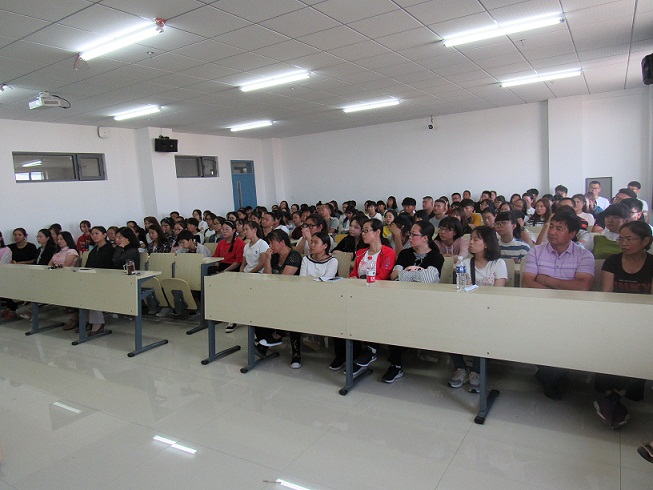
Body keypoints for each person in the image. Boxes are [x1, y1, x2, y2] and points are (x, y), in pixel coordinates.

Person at [522, 208, 594, 400]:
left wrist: (546, 279)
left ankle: (551, 375)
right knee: (540, 336)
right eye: (551, 226)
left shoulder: (584, 255)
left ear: (572, 233)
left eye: (559, 228)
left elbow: (583, 286)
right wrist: (561, 291)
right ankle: (552, 375)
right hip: (539, 310)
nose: (552, 231)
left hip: (573, 311)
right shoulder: (536, 251)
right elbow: (527, 282)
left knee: (565, 340)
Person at [592, 221, 653, 428]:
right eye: (621, 239)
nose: (623, 243)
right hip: (615, 319)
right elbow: (607, 296)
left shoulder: (652, 263)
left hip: (643, 321)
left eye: (629, 239)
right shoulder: (612, 262)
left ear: (645, 241)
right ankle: (612, 394)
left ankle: (616, 395)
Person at [331, 218, 396, 376]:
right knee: (339, 313)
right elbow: (353, 274)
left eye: (367, 230)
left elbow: (382, 277)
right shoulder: (360, 252)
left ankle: (369, 350)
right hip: (358, 294)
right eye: (363, 230)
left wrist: (359, 281)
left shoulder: (388, 252)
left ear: (378, 232)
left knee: (364, 315)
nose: (363, 233)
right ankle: (345, 354)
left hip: (377, 297)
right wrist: (357, 280)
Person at [382, 221, 444, 383]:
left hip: (425, 302)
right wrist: (419, 272)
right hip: (402, 299)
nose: (409, 237)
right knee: (392, 318)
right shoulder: (405, 253)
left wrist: (406, 272)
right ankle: (395, 364)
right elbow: (393, 276)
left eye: (413, 235)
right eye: (410, 234)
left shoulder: (436, 257)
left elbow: (429, 280)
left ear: (425, 238)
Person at [449, 226, 507, 390]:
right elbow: (461, 290)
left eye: (476, 239)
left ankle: (476, 370)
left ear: (487, 243)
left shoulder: (498, 264)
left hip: (489, 311)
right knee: (448, 326)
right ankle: (460, 367)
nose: (471, 242)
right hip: (467, 309)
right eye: (471, 238)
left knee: (481, 328)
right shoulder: (464, 263)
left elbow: (497, 293)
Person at [255, 229, 304, 363]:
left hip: (292, 294)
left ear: (282, 242)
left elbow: (283, 280)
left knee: (290, 312)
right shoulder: (275, 256)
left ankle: (290, 348)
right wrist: (267, 259)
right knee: (258, 308)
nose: (270, 245)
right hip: (276, 293)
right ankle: (266, 340)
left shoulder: (294, 256)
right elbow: (267, 276)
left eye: (272, 242)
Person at [84, 226, 115, 336]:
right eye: (92, 234)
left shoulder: (110, 249)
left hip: (106, 280)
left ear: (104, 235)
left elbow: (110, 267)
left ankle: (98, 323)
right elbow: (87, 266)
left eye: (97, 233)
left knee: (92, 292)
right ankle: (86, 320)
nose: (94, 236)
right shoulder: (94, 250)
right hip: (93, 279)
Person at [48, 232, 80, 330]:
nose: (59, 241)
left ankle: (75, 318)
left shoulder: (72, 251)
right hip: (56, 277)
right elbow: (49, 265)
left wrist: (56, 267)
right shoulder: (57, 252)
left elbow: (67, 265)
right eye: (58, 239)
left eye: (61, 239)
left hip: (68, 278)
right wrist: (56, 267)